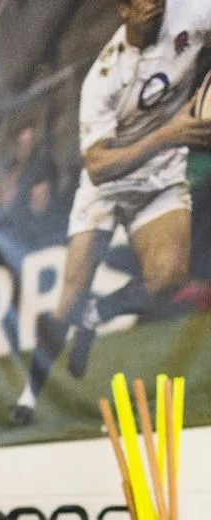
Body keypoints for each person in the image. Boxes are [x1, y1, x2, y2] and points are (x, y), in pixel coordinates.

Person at [12, 0, 211, 426]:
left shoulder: (192, 12)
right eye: (142, 1)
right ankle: (30, 394)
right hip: (107, 184)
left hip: (159, 175)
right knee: (66, 301)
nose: (154, 5)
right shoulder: (102, 79)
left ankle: (97, 314)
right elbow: (99, 166)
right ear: (123, 10)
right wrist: (169, 134)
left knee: (169, 278)